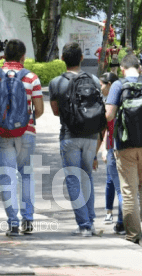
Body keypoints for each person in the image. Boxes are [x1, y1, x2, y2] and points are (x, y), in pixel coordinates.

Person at [0, 39, 44, 236]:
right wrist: (24, 120)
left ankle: (13, 224)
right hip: (27, 132)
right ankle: (28, 221)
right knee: (26, 174)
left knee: (8, 177)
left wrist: (1, 119)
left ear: (3, 56)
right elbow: (39, 110)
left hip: (1, 133)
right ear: (23, 56)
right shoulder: (31, 78)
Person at [49, 42, 104, 237]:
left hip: (69, 135)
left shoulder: (57, 82)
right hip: (91, 137)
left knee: (73, 179)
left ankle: (84, 225)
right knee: (87, 176)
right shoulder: (95, 80)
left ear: (62, 59)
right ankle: (91, 222)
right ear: (81, 58)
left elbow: (55, 111)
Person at [105, 54, 142, 247]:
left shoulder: (117, 86)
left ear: (122, 69)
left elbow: (109, 115)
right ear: (139, 67)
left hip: (125, 144)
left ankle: (133, 234)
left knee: (128, 188)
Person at [96, 72, 125, 235]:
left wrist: (102, 150)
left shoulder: (110, 105)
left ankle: (122, 221)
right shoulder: (126, 99)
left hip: (114, 148)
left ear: (109, 85)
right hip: (125, 146)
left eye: (102, 85)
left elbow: (104, 129)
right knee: (115, 183)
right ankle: (111, 213)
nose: (100, 88)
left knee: (120, 188)